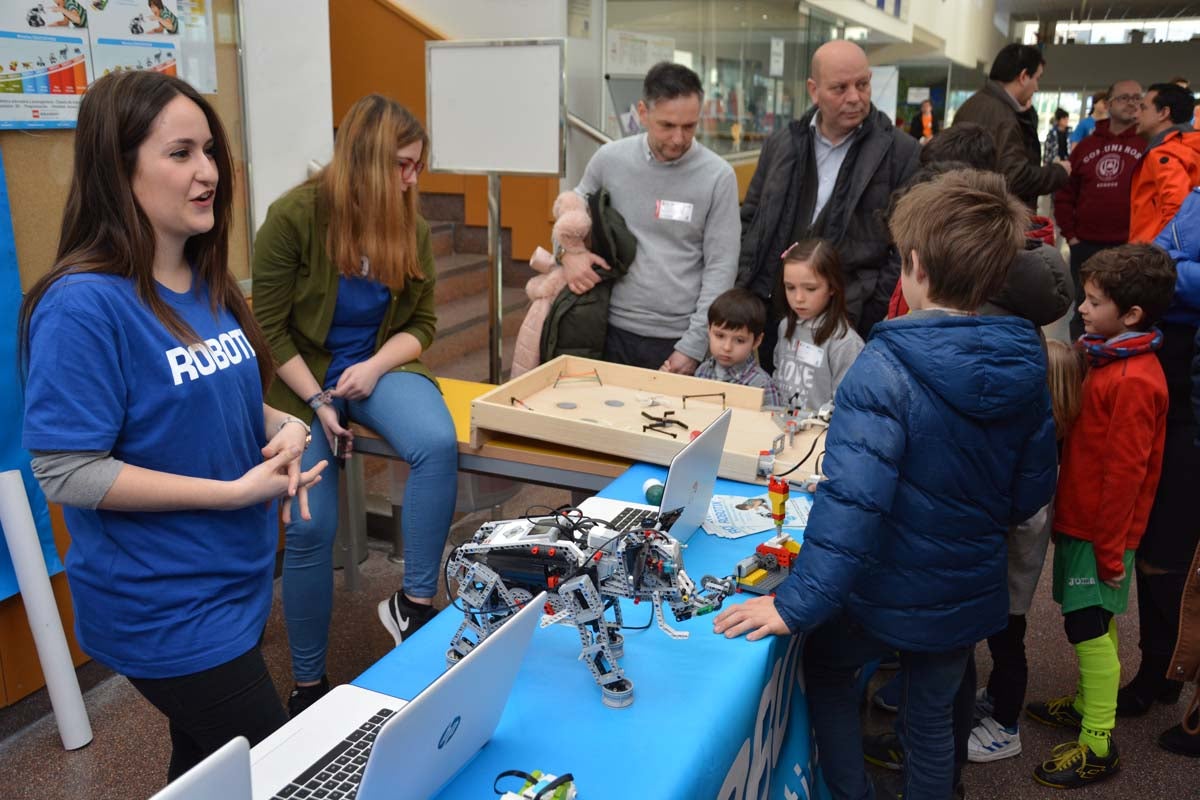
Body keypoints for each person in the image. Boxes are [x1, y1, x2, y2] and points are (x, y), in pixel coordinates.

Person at [19, 70, 326, 781]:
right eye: (180, 154)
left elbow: (223, 397)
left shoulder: (207, 280)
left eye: (210, 151)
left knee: (206, 769)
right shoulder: (84, 305)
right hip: (164, 605)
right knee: (275, 769)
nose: (208, 172)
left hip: (235, 580)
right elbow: (65, 470)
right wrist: (230, 493)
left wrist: (286, 427)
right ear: (118, 169)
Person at [713, 169, 1057, 800]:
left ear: (916, 266)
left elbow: (851, 509)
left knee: (829, 666)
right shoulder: (1027, 363)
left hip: (890, 588)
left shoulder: (884, 366)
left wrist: (794, 606)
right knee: (931, 719)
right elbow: (1029, 492)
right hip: (967, 587)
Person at [251, 94, 459, 717]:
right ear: (364, 160)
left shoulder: (409, 224)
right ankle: (309, 684)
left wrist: (371, 368)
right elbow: (268, 325)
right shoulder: (294, 215)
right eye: (401, 165)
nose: (412, 179)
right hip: (300, 374)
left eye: (417, 166)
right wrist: (316, 400)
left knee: (438, 443)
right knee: (312, 527)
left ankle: (414, 605)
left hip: (373, 364)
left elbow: (421, 322)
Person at [1026, 244, 1176, 789]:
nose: (1082, 310)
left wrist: (1112, 550)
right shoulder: (1108, 357)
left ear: (1131, 315)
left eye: (1092, 302)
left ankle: (1097, 741)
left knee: (1086, 623)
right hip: (1082, 519)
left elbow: (1126, 476)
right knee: (1091, 619)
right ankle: (1090, 700)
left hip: (1100, 529)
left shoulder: (1135, 379)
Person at [737, 39, 920, 363]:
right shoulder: (782, 143)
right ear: (813, 89)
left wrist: (872, 310)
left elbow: (903, 247)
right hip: (774, 312)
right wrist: (747, 290)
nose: (855, 97)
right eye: (840, 88)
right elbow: (751, 218)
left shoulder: (900, 153)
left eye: (862, 84)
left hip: (847, 321)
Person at [561, 62, 739, 374]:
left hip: (676, 339)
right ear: (642, 113)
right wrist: (568, 253)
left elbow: (721, 268)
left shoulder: (718, 176)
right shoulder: (610, 159)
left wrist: (694, 346)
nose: (679, 138)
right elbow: (569, 211)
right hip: (608, 328)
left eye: (689, 127)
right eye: (667, 125)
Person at [967, 340, 1087, 764]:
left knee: (1007, 644)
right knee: (1004, 642)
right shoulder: (1050, 443)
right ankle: (997, 695)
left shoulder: (1041, 453)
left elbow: (1029, 519)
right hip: (1014, 566)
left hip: (1012, 570)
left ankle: (1005, 726)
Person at [1122, 188, 1200, 726]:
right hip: (1173, 364)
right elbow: (1152, 259)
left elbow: (1162, 271)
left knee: (1173, 543)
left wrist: (1171, 274)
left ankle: (1167, 671)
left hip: (1190, 386)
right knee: (1155, 537)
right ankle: (1160, 666)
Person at [1055, 80, 1145, 339]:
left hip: (1130, 247)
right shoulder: (1087, 146)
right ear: (1108, 103)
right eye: (1124, 97)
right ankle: (1081, 373)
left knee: (1127, 314)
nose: (1131, 102)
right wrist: (1071, 235)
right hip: (1086, 245)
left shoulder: (1146, 145)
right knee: (1085, 312)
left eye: (1137, 98)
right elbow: (1065, 192)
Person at [953, 43, 1070, 208]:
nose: (1036, 88)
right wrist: (1059, 171)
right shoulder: (1003, 116)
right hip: (991, 217)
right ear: (1023, 77)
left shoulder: (973, 104)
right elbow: (1015, 178)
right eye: (1037, 78)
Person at [771, 240, 864, 413]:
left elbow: (846, 402)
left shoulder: (845, 343)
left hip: (817, 435)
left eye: (810, 289)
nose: (798, 297)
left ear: (832, 287)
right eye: (790, 287)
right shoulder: (785, 326)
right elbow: (777, 374)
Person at [1128, 83, 1200, 243]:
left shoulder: (1164, 152)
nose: (1135, 114)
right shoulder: (1190, 147)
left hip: (1156, 258)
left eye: (1143, 108)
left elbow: (1178, 208)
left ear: (1163, 113)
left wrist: (1160, 254)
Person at [692, 287, 781, 407]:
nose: (727, 347)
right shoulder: (703, 371)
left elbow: (771, 422)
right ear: (709, 330)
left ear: (756, 341)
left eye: (739, 340)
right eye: (720, 336)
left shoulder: (761, 384)